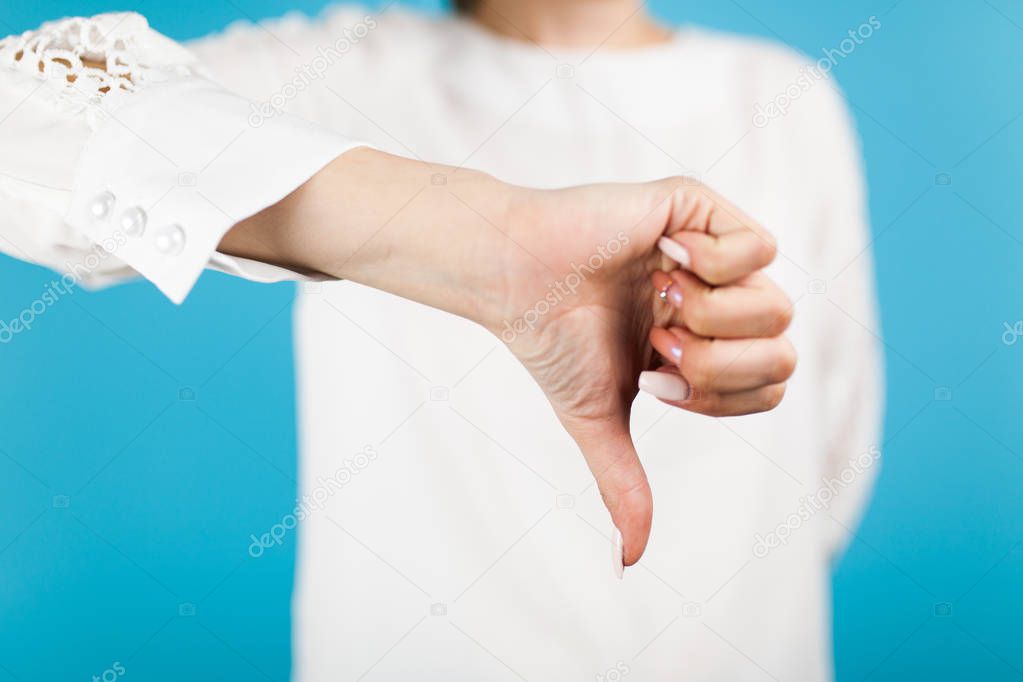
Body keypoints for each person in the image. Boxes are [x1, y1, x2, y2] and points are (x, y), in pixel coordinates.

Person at [0, 1, 881, 680]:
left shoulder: (789, 103)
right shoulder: (338, 67)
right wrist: (477, 237)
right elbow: (20, 117)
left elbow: (831, 463)